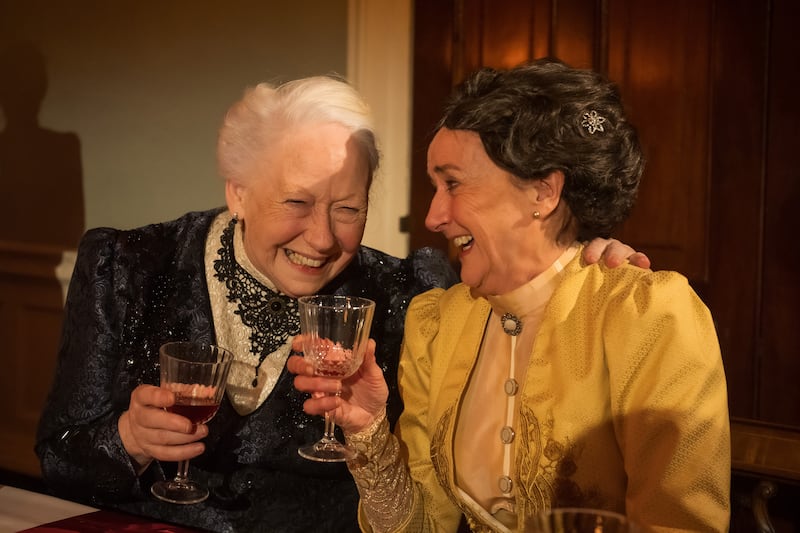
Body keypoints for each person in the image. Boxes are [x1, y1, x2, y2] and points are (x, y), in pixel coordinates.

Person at [36, 74, 649, 533]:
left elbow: (510, 302)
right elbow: (59, 459)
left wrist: (577, 252)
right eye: (297, 203)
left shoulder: (408, 294)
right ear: (240, 191)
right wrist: (128, 439)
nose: (324, 237)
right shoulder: (129, 266)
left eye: (348, 209)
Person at [289, 59, 730, 532]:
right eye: (434, 187)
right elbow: (423, 526)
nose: (434, 216)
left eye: (453, 183)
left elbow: (682, 523)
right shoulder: (437, 322)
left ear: (543, 192)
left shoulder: (647, 315)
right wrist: (370, 429)